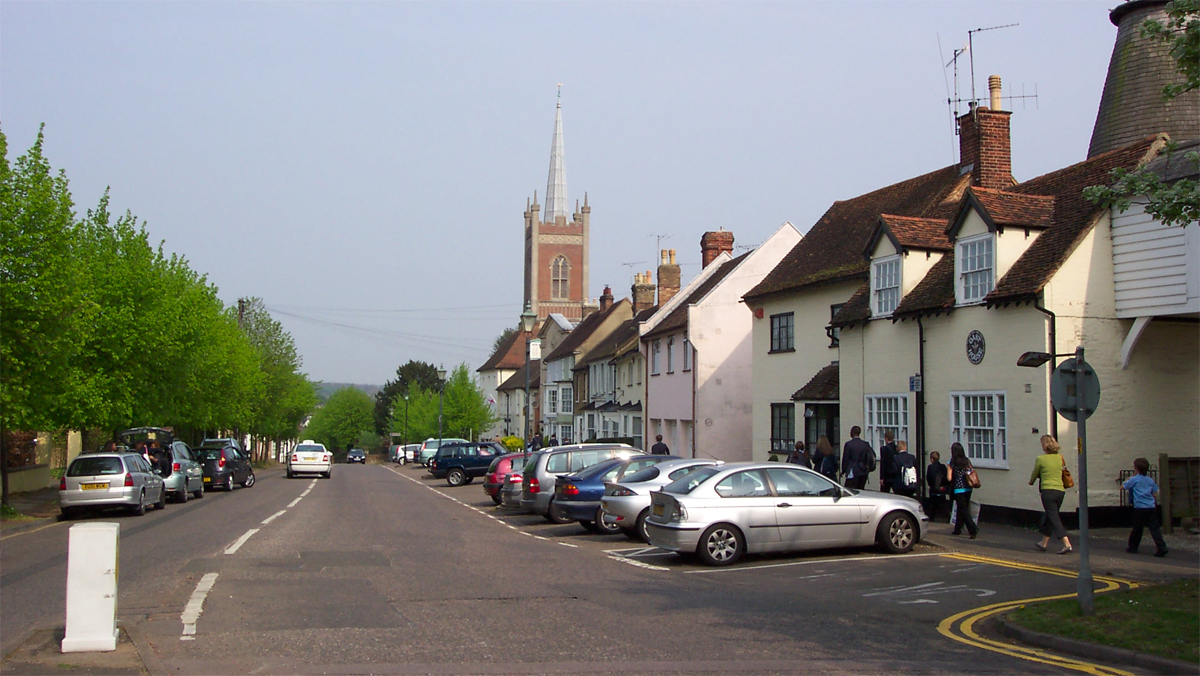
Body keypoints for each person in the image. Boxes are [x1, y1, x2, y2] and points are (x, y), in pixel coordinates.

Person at [1029, 435, 1071, 554]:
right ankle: (1044, 542)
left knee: (1054, 517)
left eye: (1042, 444)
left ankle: (1066, 543)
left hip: (1048, 491)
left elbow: (1035, 473)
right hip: (1060, 491)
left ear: (1045, 445)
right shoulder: (1060, 457)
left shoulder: (1041, 459)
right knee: (1051, 516)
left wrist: (1031, 482)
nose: (1041, 446)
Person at [1123, 457, 1168, 557]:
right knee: (1154, 528)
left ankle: (1133, 547)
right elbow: (1155, 493)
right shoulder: (1150, 480)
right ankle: (1161, 547)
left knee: (1137, 528)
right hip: (1150, 507)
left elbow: (1123, 486)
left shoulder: (1134, 479)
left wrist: (1130, 477)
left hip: (1139, 507)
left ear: (1136, 468)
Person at [947, 442, 978, 539]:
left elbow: (949, 478)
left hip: (958, 489)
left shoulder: (952, 462)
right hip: (968, 488)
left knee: (964, 510)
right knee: (961, 509)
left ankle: (973, 529)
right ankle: (957, 529)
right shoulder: (967, 461)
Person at [841, 426, 875, 490]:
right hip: (863, 470)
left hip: (852, 471)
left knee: (849, 490)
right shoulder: (865, 444)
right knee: (861, 490)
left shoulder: (849, 444)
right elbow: (872, 455)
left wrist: (843, 470)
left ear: (852, 432)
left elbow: (845, 459)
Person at [924, 451, 948, 520]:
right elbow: (946, 478)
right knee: (943, 504)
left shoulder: (930, 467)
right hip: (942, 489)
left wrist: (931, 485)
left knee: (933, 506)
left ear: (932, 459)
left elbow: (928, 478)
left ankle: (932, 518)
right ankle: (947, 517)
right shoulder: (943, 467)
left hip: (933, 490)